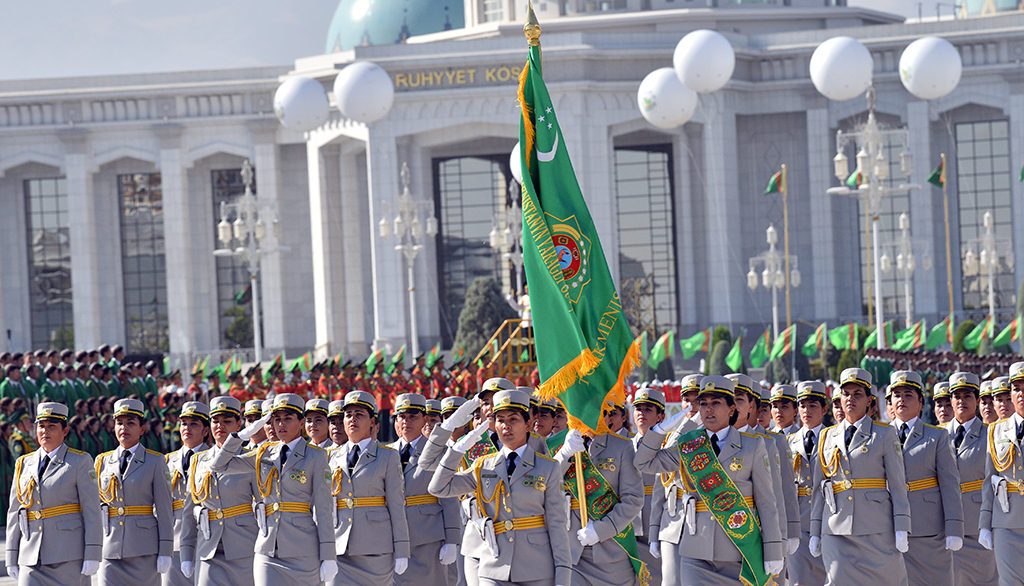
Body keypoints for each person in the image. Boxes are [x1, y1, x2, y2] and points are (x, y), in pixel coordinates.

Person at [634, 375, 783, 585]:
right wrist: (659, 431)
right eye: (703, 403)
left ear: (731, 409)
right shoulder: (688, 445)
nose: (708, 409)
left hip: (738, 549)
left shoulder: (752, 446)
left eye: (716, 403)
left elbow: (766, 502)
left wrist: (773, 549)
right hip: (695, 551)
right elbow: (644, 463)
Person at [429, 388, 572, 586]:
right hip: (493, 568)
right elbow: (438, 488)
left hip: (536, 568)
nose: (506, 426)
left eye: (513, 419)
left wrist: (563, 575)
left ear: (528, 424)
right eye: (500, 420)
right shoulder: (483, 466)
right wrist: (457, 450)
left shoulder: (547, 467)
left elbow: (557, 525)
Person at [211, 392, 337, 585]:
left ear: (301, 423)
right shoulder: (264, 454)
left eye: (287, 418)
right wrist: (240, 436)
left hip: (303, 549)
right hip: (267, 548)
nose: (281, 424)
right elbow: (219, 466)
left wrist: (328, 555)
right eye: (276, 419)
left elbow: (323, 508)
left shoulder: (315, 456)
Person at [808, 368, 910, 586]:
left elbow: (897, 484)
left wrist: (902, 524)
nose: (850, 399)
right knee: (837, 580)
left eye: (857, 394)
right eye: (846, 394)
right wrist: (815, 530)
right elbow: (818, 488)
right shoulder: (826, 436)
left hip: (876, 526)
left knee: (886, 581)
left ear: (869, 400)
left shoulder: (884, 433)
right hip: (835, 526)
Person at [5, 402, 102, 585]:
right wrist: (11, 555)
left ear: (65, 431)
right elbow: (14, 512)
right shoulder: (24, 464)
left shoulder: (79, 462)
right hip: (31, 555)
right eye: (41, 426)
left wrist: (93, 552)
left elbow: (92, 510)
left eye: (52, 426)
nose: (45, 431)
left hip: (68, 554)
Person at [888, 370, 964, 586]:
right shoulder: (879, 435)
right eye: (897, 395)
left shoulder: (937, 436)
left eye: (908, 395)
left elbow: (950, 484)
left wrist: (954, 528)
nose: (902, 400)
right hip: (889, 524)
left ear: (921, 403)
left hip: (928, 526)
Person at [329, 390, 409, 586]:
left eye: (359, 414)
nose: (352, 419)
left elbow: (397, 505)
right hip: (340, 547)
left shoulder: (387, 456)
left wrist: (402, 549)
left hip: (376, 548)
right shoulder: (331, 456)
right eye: (348, 415)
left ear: (372, 421)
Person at [179, 396, 260, 586]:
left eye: (227, 421)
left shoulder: (251, 459)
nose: (220, 426)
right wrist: (186, 552)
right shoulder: (198, 461)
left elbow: (263, 505)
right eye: (215, 421)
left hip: (244, 547)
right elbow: (189, 511)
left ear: (239, 424)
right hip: (208, 547)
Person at [95, 398, 175, 586]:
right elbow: (94, 508)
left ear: (142, 429)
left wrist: (165, 551)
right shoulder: (102, 461)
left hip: (144, 548)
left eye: (130, 423)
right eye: (119, 423)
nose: (124, 428)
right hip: (109, 547)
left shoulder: (155, 461)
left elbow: (164, 510)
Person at [389, 393, 459, 586]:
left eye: (413, 416)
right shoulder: (386, 452)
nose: (406, 422)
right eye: (402, 417)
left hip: (428, 535)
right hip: (393, 536)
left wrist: (452, 539)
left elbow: (449, 497)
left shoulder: (437, 451)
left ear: (424, 420)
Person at [945, 372, 998, 586]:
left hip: (978, 523)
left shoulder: (990, 435)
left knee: (984, 579)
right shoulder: (938, 436)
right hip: (946, 523)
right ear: (951, 401)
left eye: (967, 396)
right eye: (957, 397)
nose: (961, 401)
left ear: (977, 401)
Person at [979, 361, 1024, 585]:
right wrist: (984, 524)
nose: (1021, 394)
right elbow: (990, 481)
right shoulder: (996, 431)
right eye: (1017, 389)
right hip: (1006, 520)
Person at [163, 401, 211, 586]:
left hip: (204, 537)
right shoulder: (167, 461)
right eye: (184, 423)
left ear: (206, 431)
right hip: (175, 538)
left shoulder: (215, 459)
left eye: (194, 424)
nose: (187, 428)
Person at [787, 381, 829, 586]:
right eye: (802, 406)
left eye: (813, 405)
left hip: (828, 518)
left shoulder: (834, 438)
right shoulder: (789, 441)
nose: (807, 411)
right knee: (799, 580)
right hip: (799, 520)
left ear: (824, 409)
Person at [630, 386, 665, 586]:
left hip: (657, 520)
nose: (641, 413)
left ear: (661, 416)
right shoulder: (625, 446)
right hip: (629, 523)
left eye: (648, 409)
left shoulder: (668, 446)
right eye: (638, 409)